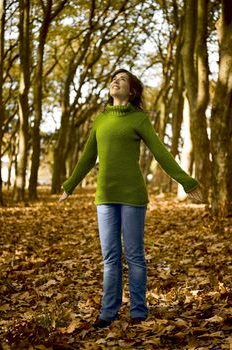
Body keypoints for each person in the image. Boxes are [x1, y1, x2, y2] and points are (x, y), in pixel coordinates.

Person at [58, 69, 202, 329]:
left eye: (122, 79)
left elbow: (161, 153)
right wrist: (70, 184)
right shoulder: (100, 120)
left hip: (133, 196)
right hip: (105, 197)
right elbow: (88, 157)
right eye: (113, 78)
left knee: (134, 256)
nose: (115, 81)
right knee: (110, 258)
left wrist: (187, 181)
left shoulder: (139, 119)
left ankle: (138, 311)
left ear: (132, 91)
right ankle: (108, 312)